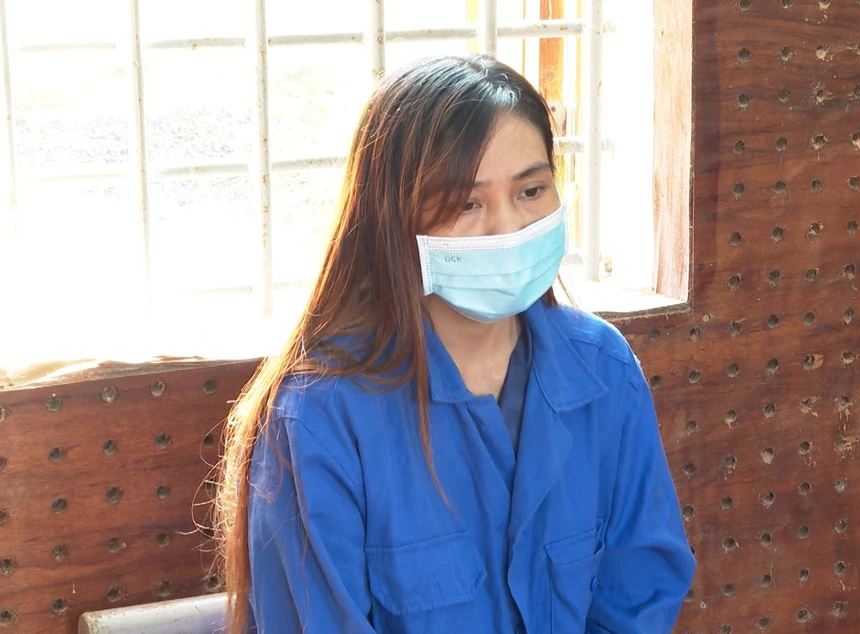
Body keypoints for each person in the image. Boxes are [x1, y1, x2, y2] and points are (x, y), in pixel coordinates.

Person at [212, 54, 695, 634]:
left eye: (531, 190)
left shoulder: (604, 368)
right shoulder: (319, 416)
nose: (508, 227)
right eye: (468, 203)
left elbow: (638, 596)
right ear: (393, 218)